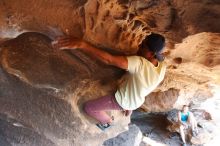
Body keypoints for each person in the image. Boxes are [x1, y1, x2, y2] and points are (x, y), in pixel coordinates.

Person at [53, 33, 166, 131]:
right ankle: (129, 108)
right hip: (138, 99)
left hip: (122, 101)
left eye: (143, 46)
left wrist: (82, 44)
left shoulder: (140, 63)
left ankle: (107, 122)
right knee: (134, 94)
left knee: (89, 108)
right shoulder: (162, 67)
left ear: (151, 54)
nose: (139, 46)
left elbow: (109, 60)